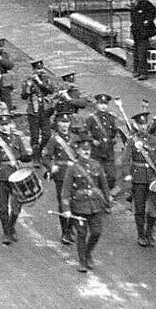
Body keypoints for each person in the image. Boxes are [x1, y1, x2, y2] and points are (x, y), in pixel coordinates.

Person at [0, 109, 33, 245]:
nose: (5, 126)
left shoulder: (17, 138)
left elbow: (23, 157)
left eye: (7, 124)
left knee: (16, 207)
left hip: (16, 176)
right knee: (3, 208)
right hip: (1, 176)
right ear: (0, 126)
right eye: (3, 124)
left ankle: (11, 227)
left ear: (11, 124)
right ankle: (6, 232)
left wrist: (29, 155)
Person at [64, 137, 111, 272]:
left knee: (96, 232)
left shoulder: (96, 165)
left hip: (95, 206)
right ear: (78, 151)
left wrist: (108, 199)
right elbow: (66, 191)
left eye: (88, 150)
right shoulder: (72, 168)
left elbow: (104, 185)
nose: (86, 152)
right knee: (81, 234)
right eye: (83, 150)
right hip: (79, 207)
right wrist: (66, 208)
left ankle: (87, 252)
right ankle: (82, 262)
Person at [123, 112, 156, 247]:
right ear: (136, 125)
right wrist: (128, 175)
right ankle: (141, 235)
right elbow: (125, 159)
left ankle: (149, 233)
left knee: (154, 209)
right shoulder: (132, 141)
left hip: (152, 179)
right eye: (140, 124)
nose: (143, 127)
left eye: (145, 124)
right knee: (140, 208)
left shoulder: (153, 139)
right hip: (138, 179)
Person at [41, 115, 78, 245]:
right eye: (62, 122)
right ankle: (65, 232)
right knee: (64, 202)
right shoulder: (53, 140)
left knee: (75, 202)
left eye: (67, 122)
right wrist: (52, 166)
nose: (64, 125)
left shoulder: (75, 138)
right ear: (57, 123)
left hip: (75, 174)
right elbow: (45, 158)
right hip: (61, 175)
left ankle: (70, 228)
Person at [20, 60, 58, 154]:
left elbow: (51, 90)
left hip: (45, 110)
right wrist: (29, 87)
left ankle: (41, 149)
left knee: (47, 134)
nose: (40, 71)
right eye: (38, 69)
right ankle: (36, 155)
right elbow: (24, 96)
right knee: (35, 135)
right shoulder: (28, 80)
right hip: (33, 110)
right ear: (34, 70)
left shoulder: (47, 79)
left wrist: (39, 82)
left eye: (41, 68)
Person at [84, 94, 120, 190]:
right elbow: (84, 133)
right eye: (101, 104)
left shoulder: (111, 118)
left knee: (111, 177)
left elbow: (115, 132)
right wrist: (92, 141)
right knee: (96, 175)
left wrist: (114, 139)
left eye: (105, 104)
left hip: (109, 151)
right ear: (96, 104)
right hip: (97, 151)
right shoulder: (91, 118)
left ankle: (107, 194)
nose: (103, 106)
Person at [129, 0, 156, 81]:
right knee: (136, 52)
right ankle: (137, 71)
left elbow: (154, 11)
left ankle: (143, 73)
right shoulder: (133, 3)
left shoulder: (145, 3)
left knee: (142, 53)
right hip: (136, 31)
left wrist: (147, 21)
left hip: (143, 32)